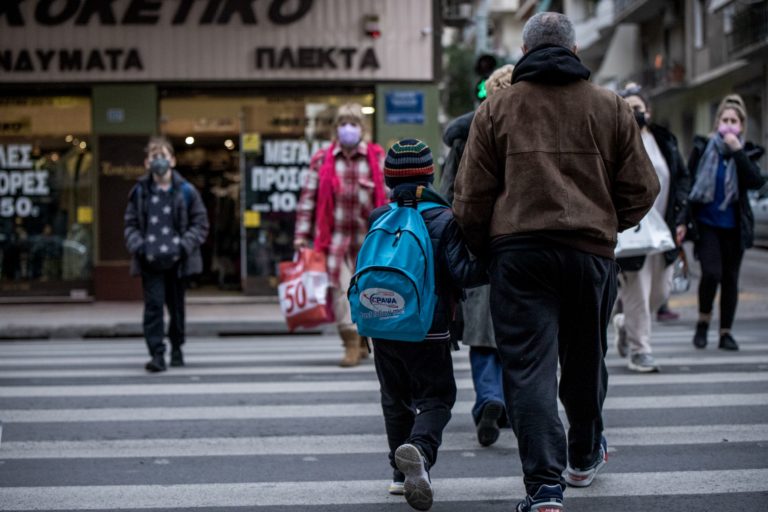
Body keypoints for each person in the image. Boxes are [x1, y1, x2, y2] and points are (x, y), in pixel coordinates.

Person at [453, 12, 659, 512]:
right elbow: (644, 188)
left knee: (528, 370)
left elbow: (470, 199)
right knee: (586, 358)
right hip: (589, 253)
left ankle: (544, 487)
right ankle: (584, 456)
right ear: (575, 52)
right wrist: (607, 224)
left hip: (519, 257)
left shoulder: (497, 109)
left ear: (523, 52)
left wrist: (486, 249)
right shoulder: (610, 107)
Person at [369, 139, 487, 511]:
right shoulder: (443, 217)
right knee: (437, 398)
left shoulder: (378, 218)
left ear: (389, 178)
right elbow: (462, 274)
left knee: (394, 399)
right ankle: (419, 450)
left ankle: (398, 475)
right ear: (430, 175)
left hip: (382, 326)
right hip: (429, 327)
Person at [441, 64, 516, 447]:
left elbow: (448, 196)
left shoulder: (464, 137)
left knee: (482, 337)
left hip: (479, 248)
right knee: (519, 335)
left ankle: (489, 398)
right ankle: (514, 406)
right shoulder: (527, 129)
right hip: (523, 246)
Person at [294, 103, 387, 367]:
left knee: (368, 291)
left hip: (369, 240)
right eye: (344, 123)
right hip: (334, 239)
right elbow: (308, 200)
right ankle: (349, 342)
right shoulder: (323, 159)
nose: (349, 128)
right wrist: (301, 236)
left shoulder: (375, 157)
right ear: (336, 129)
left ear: (362, 128)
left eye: (354, 123)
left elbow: (388, 198)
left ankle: (362, 338)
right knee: (340, 291)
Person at [613, 83, 691, 373]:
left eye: (639, 108)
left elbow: (682, 178)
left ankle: (624, 321)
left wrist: (682, 218)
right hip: (632, 232)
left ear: (649, 111)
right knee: (639, 293)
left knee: (660, 291)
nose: (635, 113)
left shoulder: (664, 140)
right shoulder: (615, 141)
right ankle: (640, 350)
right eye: (628, 108)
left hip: (664, 231)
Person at [124, 136, 209, 372]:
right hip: (150, 260)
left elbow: (200, 223)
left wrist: (183, 246)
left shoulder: (186, 191)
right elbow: (130, 224)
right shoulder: (140, 192)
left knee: (176, 308)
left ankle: (177, 347)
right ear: (146, 162)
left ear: (173, 160)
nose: (159, 161)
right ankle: (157, 354)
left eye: (163, 156)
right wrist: (139, 246)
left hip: (177, 262)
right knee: (153, 307)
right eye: (154, 156)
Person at [688, 94, 766, 351]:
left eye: (734, 120)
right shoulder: (702, 148)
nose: (729, 124)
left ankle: (725, 333)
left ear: (741, 125)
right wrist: (682, 221)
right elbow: (689, 184)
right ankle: (702, 322)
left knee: (730, 279)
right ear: (717, 122)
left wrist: (737, 151)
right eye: (725, 119)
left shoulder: (746, 151)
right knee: (711, 274)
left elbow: (756, 181)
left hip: (735, 227)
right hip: (708, 224)